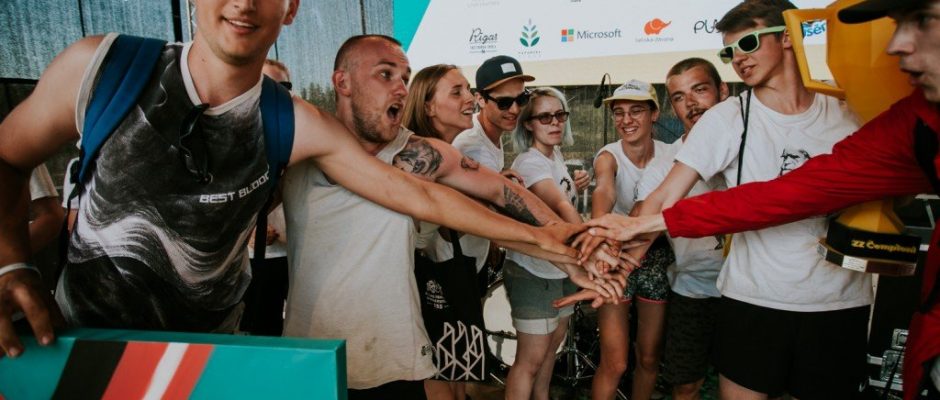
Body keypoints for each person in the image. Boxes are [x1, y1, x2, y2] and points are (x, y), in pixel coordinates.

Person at [0, 0, 581, 359]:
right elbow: (7, 159)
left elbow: (422, 193)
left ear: (292, 7)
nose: (244, 2)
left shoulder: (295, 125)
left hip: (208, 363)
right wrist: (10, 263)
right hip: (76, 349)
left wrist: (552, 240)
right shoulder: (104, 68)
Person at [581, 1, 940, 398]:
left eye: (748, 43)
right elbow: (668, 196)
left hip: (838, 304)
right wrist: (619, 265)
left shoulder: (849, 112)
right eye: (729, 51)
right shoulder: (728, 118)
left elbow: (831, 193)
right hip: (751, 300)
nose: (739, 58)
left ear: (787, 36)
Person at [281, 35, 619, 400]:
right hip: (315, 357)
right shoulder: (302, 142)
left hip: (395, 360)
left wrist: (572, 247)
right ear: (342, 82)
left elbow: (501, 192)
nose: (400, 88)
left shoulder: (419, 152)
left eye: (405, 78)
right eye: (385, 74)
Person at [451, 55, 592, 298]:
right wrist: (584, 250)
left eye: (521, 99)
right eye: (505, 102)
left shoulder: (490, 134)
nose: (515, 109)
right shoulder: (473, 146)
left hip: (474, 255)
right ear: (480, 99)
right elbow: (491, 218)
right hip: (457, 262)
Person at [636, 58, 728, 400]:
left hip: (750, 290)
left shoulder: (752, 147)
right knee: (686, 385)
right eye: (679, 97)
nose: (691, 103)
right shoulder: (664, 165)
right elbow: (643, 220)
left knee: (748, 386)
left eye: (700, 90)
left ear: (723, 91)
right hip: (694, 290)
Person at [589, 79, 676, 400]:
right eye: (619, 112)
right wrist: (601, 231)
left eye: (636, 111)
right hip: (615, 254)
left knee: (650, 357)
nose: (626, 120)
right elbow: (604, 188)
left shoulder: (672, 153)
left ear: (655, 114)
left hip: (658, 254)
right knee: (615, 362)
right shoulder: (608, 155)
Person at [238, 59, 293, 336]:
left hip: (294, 257)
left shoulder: (299, 135)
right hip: (252, 261)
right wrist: (246, 232)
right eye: (267, 85)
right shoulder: (234, 135)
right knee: (262, 330)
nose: (277, 93)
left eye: (284, 86)